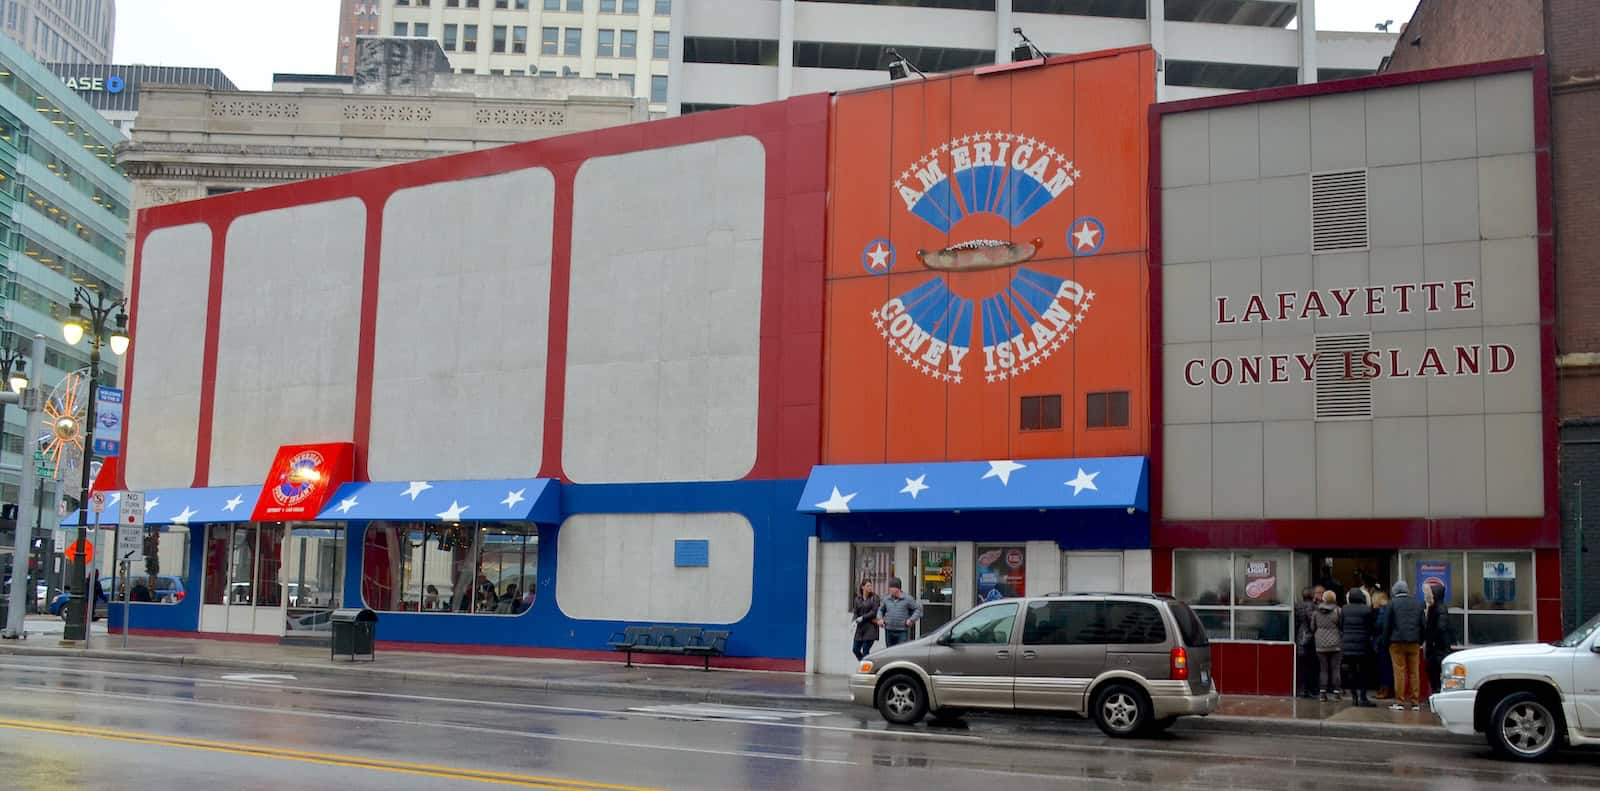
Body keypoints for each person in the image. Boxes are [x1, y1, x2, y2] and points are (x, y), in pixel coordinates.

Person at [1382, 580, 1427, 711]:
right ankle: (1415, 702)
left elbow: (1387, 626)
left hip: (1396, 643)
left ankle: (1399, 701)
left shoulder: (1392, 603)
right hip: (1414, 642)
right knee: (1414, 672)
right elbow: (1423, 625)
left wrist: (1386, 643)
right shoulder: (1418, 603)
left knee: (1399, 672)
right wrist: (1420, 640)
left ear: (1395, 591)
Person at [1340, 589, 1377, 707]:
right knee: (1364, 671)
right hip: (1363, 645)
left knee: (1351, 671)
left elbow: (1341, 625)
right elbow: (1372, 626)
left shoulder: (1344, 609)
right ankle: (1363, 696)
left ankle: (1354, 696)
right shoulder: (1367, 609)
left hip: (1348, 645)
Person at [1423, 582, 1453, 696]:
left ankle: (1437, 694)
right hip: (1436, 648)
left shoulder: (1439, 608)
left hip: (1438, 649)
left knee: (1436, 673)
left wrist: (1431, 638)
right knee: (1433, 672)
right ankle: (1436, 693)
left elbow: (1441, 627)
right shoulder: (1435, 607)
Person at [1313, 590, 1343, 701]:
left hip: (1320, 643)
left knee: (1323, 669)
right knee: (1336, 669)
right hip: (1336, 643)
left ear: (1323, 599)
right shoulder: (1338, 611)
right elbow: (1341, 626)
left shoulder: (1316, 612)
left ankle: (1322, 694)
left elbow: (1312, 627)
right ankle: (1337, 693)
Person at [877, 577, 920, 647]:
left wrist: (911, 620)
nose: (889, 589)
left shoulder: (907, 598)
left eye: (891, 587)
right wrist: (880, 619)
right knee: (889, 651)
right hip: (889, 630)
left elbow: (918, 609)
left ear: (897, 588)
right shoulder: (886, 599)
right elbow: (880, 610)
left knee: (900, 651)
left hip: (902, 631)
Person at [1295, 586, 1321, 699]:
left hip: (1300, 635)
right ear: (1311, 595)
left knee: (1302, 665)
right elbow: (1312, 622)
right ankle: (1309, 689)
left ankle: (1303, 689)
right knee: (1311, 664)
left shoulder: (1298, 605)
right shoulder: (1312, 606)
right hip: (1309, 637)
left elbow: (1296, 621)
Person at [850, 579, 882, 661]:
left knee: (865, 650)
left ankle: (865, 668)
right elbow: (856, 612)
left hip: (870, 627)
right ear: (862, 587)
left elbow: (874, 612)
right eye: (868, 586)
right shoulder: (858, 599)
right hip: (860, 628)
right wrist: (854, 620)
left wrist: (862, 617)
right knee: (855, 649)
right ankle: (865, 665)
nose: (870, 587)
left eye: (871, 585)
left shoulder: (875, 598)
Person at [1372, 592, 1394, 700]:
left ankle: (1385, 690)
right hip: (1388, 641)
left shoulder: (1382, 609)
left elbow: (1379, 625)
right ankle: (1385, 689)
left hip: (1382, 642)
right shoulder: (1389, 607)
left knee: (1384, 666)